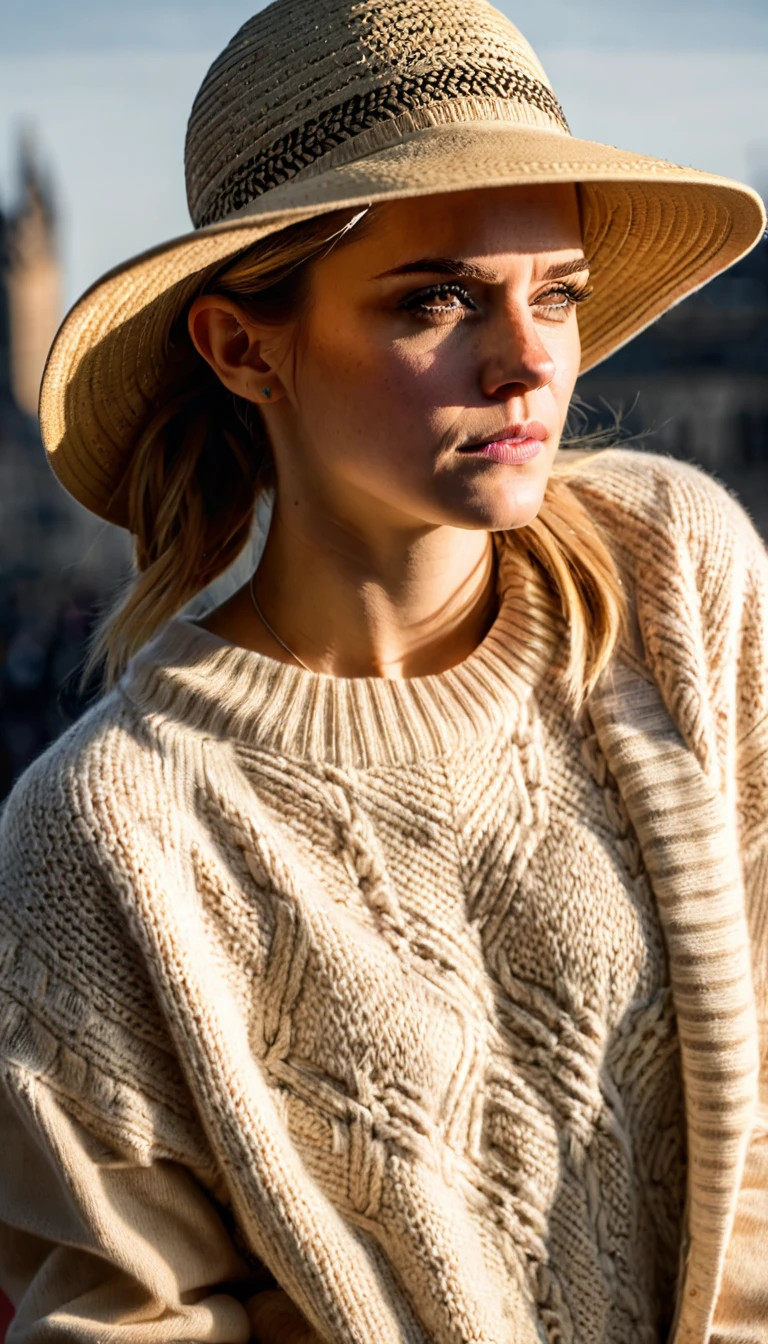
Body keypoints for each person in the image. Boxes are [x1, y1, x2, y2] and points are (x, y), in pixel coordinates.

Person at [0, 0, 766, 1341]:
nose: (531, 359)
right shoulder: (106, 834)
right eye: (437, 299)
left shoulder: (675, 574)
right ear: (245, 347)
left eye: (559, 293)